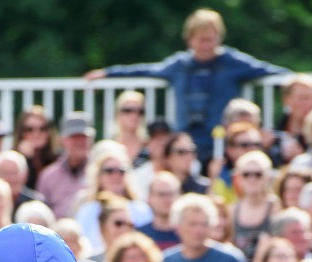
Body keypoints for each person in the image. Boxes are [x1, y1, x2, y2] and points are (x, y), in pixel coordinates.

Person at [84, 8, 287, 167]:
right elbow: (146, 70)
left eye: (212, 39)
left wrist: (299, 82)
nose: (207, 45)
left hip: (222, 144)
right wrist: (108, 73)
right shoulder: (179, 65)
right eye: (201, 40)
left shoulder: (231, 61)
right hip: (187, 143)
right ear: (189, 39)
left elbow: (268, 70)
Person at [36, 112, 94, 220]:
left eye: (83, 137)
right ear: (62, 140)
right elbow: (42, 213)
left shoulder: (102, 171)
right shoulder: (49, 176)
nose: (79, 142)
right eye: (74, 137)